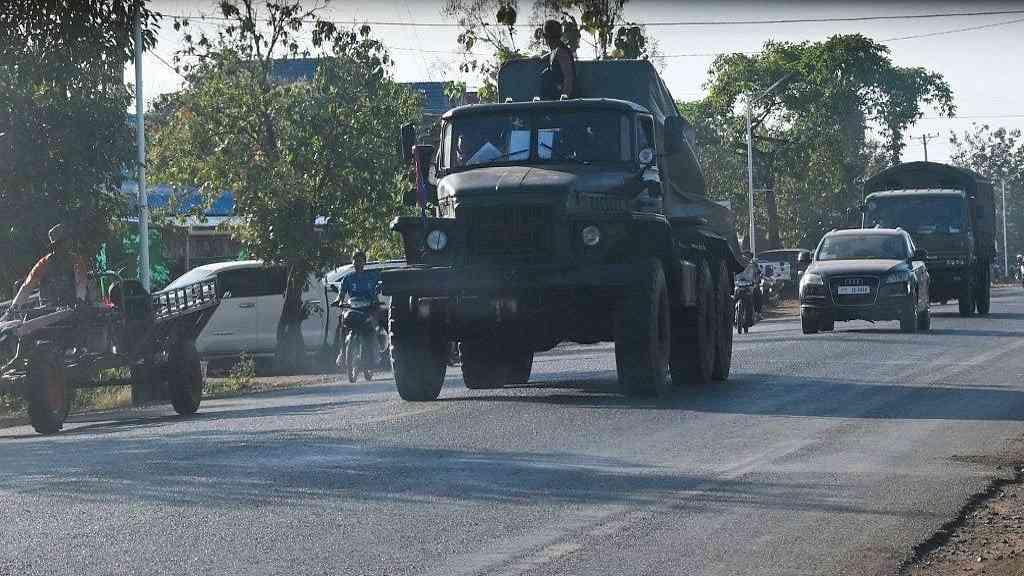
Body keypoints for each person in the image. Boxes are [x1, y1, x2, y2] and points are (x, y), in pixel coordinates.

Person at [7, 224, 88, 316]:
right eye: (59, 245)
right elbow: (27, 286)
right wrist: (15, 306)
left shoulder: (76, 261)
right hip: (48, 310)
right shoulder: (43, 264)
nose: (63, 247)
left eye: (65, 243)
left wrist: (80, 300)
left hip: (72, 308)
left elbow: (81, 283)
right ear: (54, 247)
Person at [335, 250, 382, 369]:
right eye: (355, 261)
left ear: (364, 262)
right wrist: (339, 301)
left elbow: (380, 285)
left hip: (369, 309)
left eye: (360, 261)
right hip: (353, 310)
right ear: (353, 262)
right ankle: (342, 353)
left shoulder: (371, 277)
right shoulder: (347, 278)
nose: (358, 264)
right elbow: (341, 294)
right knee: (342, 322)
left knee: (374, 327)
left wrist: (376, 302)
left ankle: (376, 353)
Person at [539, 20, 577, 100]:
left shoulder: (561, 52)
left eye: (546, 37)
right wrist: (540, 58)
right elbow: (550, 55)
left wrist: (564, 97)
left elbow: (568, 77)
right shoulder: (556, 50)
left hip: (563, 99)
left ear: (547, 37)